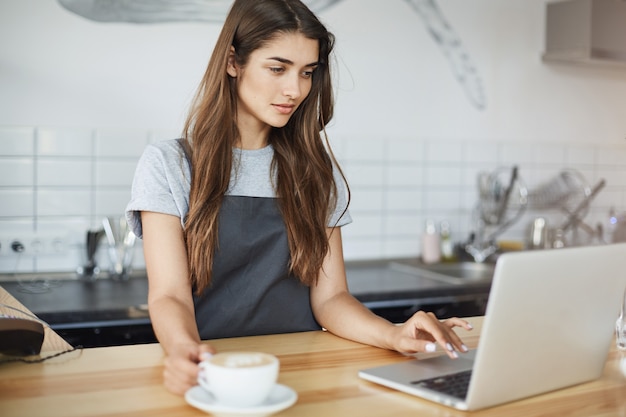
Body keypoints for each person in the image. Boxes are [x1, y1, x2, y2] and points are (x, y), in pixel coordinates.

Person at [126, 0, 472, 396]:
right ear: (232, 63)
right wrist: (182, 349)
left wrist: (393, 335)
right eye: (277, 68)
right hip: (214, 374)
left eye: (307, 72)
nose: (295, 90)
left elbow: (331, 298)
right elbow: (169, 295)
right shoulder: (170, 164)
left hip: (303, 372)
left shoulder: (315, 171)